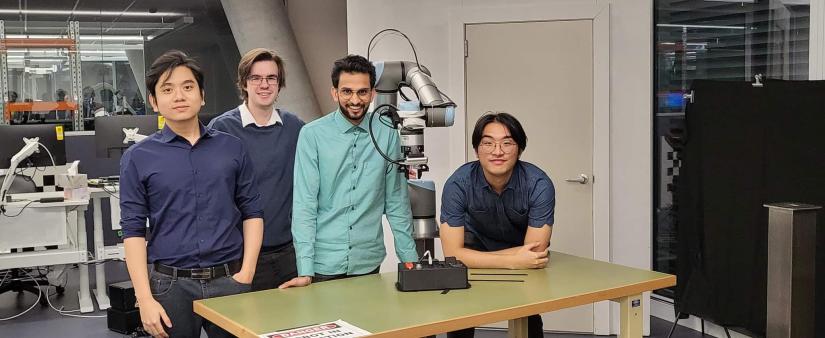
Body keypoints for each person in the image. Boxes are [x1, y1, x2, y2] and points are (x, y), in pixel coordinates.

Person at [119, 50, 263, 338]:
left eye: (188, 87)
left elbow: (253, 212)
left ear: (202, 95)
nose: (179, 96)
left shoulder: (232, 148)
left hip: (229, 281)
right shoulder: (138, 157)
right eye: (167, 89)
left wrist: (246, 273)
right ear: (154, 101)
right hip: (170, 286)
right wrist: (144, 299)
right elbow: (133, 231)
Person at [279, 55, 418, 288]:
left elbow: (396, 201)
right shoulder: (312, 135)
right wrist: (305, 269)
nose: (355, 100)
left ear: (373, 94)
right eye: (347, 92)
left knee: (371, 325)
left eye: (362, 92)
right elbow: (305, 204)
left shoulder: (387, 133)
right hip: (323, 265)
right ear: (335, 93)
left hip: (368, 263)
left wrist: (410, 262)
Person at [439, 112, 556, 338]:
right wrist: (514, 260)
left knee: (530, 317)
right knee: (459, 317)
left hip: (512, 258)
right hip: (484, 252)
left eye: (507, 143)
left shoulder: (538, 184)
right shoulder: (458, 184)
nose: (497, 151)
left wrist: (473, 257)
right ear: (476, 150)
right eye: (488, 143)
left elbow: (535, 253)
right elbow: (452, 255)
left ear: (519, 149)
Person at [208, 48, 304, 291]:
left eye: (271, 78)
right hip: (239, 256)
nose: (264, 85)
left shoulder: (295, 127)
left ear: (280, 84)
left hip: (288, 253)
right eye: (256, 78)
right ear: (243, 83)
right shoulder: (221, 129)